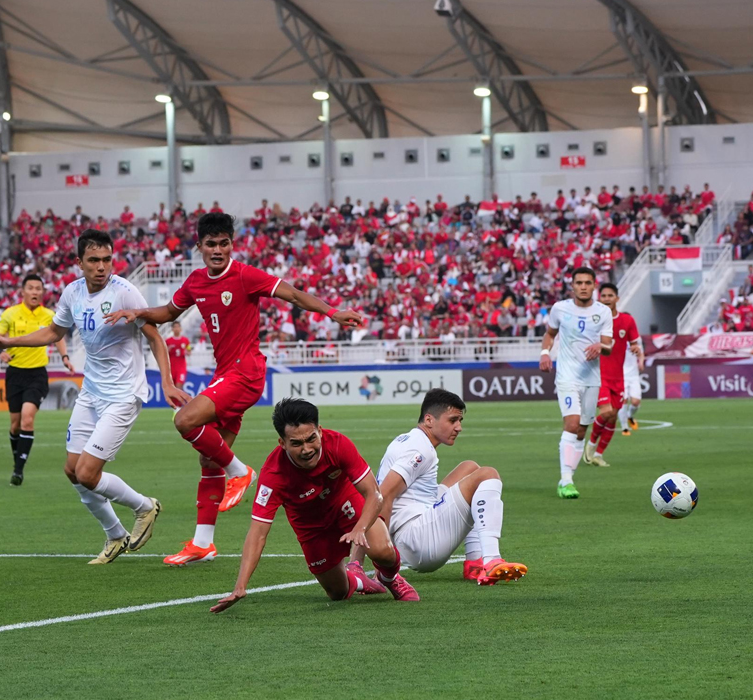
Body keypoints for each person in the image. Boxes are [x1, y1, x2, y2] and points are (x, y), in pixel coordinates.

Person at [105, 212, 362, 567]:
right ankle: (203, 543)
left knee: (184, 421)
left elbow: (293, 295)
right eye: (211, 244)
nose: (218, 250)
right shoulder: (196, 282)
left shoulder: (244, 275)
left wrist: (332, 312)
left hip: (247, 372)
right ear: (200, 247)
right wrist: (137, 312)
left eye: (224, 243)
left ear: (231, 245)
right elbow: (167, 312)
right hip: (225, 373)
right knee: (209, 458)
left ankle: (241, 471)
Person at [0, 229, 176, 564]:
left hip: (123, 394)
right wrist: (8, 342)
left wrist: (168, 382)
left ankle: (145, 507)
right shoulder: (72, 293)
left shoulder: (125, 292)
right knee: (72, 471)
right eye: (93, 260)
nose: (101, 267)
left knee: (89, 473)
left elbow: (154, 337)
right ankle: (115, 534)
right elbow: (53, 332)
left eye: (107, 260)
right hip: (91, 392)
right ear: (79, 263)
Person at [210, 399, 418, 613]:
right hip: (309, 525)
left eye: (311, 439)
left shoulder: (337, 444)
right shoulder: (273, 475)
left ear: (319, 431)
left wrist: (360, 528)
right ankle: (357, 579)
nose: (307, 449)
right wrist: (240, 586)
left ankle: (390, 578)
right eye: (296, 444)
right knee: (337, 593)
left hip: (344, 500)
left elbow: (374, 494)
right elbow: (258, 533)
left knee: (382, 550)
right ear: (282, 443)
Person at [371, 389, 526, 585]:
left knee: (469, 468)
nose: (459, 427)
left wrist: (357, 563)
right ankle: (492, 560)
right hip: (417, 541)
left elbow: (375, 496)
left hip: (409, 531)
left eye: (460, 421)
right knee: (488, 474)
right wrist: (384, 560)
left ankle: (474, 562)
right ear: (429, 420)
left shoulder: (408, 438)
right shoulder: (420, 450)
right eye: (452, 420)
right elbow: (382, 495)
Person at [0, 274, 75, 485]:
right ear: (23, 291)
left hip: (37, 374)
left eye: (39, 288)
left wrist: (65, 357)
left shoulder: (48, 315)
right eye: (31, 288)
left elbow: (57, 337)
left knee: (27, 418)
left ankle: (18, 470)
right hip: (15, 374)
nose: (35, 292)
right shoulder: (10, 314)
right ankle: (17, 460)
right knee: (15, 425)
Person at [540, 267, 613, 498]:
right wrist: (544, 352)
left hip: (591, 379)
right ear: (572, 285)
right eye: (579, 282)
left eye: (587, 283)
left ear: (594, 286)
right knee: (571, 424)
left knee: (582, 429)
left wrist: (600, 347)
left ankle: (569, 474)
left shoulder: (602, 312)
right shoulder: (560, 309)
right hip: (567, 377)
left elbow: (609, 346)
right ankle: (565, 480)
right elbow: (550, 333)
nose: (583, 286)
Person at [585, 284, 641, 466]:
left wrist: (635, 348)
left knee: (613, 416)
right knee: (607, 412)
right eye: (604, 295)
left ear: (617, 298)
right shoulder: (594, 321)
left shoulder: (627, 321)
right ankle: (591, 445)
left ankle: (599, 455)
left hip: (619, 376)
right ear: (600, 299)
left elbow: (635, 343)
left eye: (611, 295)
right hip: (599, 375)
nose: (607, 298)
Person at [619, 323, 645, 436]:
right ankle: (624, 427)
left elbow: (641, 353)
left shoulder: (636, 339)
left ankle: (629, 415)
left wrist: (641, 362)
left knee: (636, 402)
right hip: (620, 374)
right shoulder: (617, 336)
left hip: (633, 374)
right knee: (623, 400)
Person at [165, 320, 191, 391]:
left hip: (181, 367)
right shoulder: (168, 341)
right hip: (171, 368)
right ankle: (174, 402)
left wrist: (187, 352)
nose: (176, 328)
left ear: (181, 329)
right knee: (172, 388)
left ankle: (180, 402)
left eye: (178, 327)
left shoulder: (185, 340)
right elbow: (163, 354)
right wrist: (168, 350)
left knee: (179, 386)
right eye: (175, 327)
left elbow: (189, 351)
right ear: (172, 329)